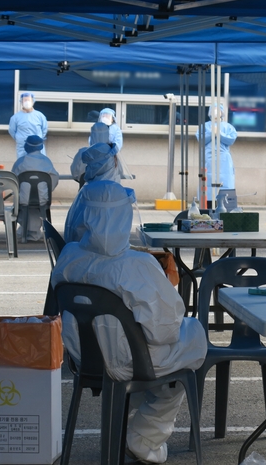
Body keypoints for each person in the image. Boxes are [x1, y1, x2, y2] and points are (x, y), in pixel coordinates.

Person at [51, 181, 206, 464]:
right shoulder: (136, 265)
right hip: (134, 362)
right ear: (124, 217)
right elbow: (165, 329)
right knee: (192, 337)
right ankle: (144, 439)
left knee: (144, 364)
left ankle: (120, 420)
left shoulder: (68, 256)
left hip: (84, 359)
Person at [65, 142, 133, 243]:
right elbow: (115, 241)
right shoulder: (116, 193)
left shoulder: (86, 190)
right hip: (103, 256)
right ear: (110, 163)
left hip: (79, 253)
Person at [11, 135, 59, 242]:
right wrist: (46, 192)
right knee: (37, 208)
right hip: (42, 199)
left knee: (23, 205)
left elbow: (12, 180)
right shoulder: (47, 162)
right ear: (41, 147)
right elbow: (55, 179)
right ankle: (33, 232)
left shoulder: (20, 162)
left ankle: (24, 231)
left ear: (26, 146)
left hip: (23, 200)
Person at [195, 104, 237, 198]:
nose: (215, 112)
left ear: (222, 112)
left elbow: (231, 139)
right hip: (209, 158)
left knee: (225, 180)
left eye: (217, 110)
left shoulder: (227, 127)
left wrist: (219, 133)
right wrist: (211, 133)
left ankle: (225, 201)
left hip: (224, 159)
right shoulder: (205, 126)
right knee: (208, 179)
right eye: (213, 110)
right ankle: (207, 201)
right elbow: (201, 139)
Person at [9, 92, 48, 158]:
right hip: (22, 147)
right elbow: (12, 131)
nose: (27, 102)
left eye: (29, 100)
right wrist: (20, 139)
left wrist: (37, 139)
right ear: (21, 102)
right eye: (25, 100)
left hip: (37, 146)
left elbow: (44, 130)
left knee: (39, 165)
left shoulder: (40, 116)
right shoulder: (15, 117)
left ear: (33, 101)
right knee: (22, 166)